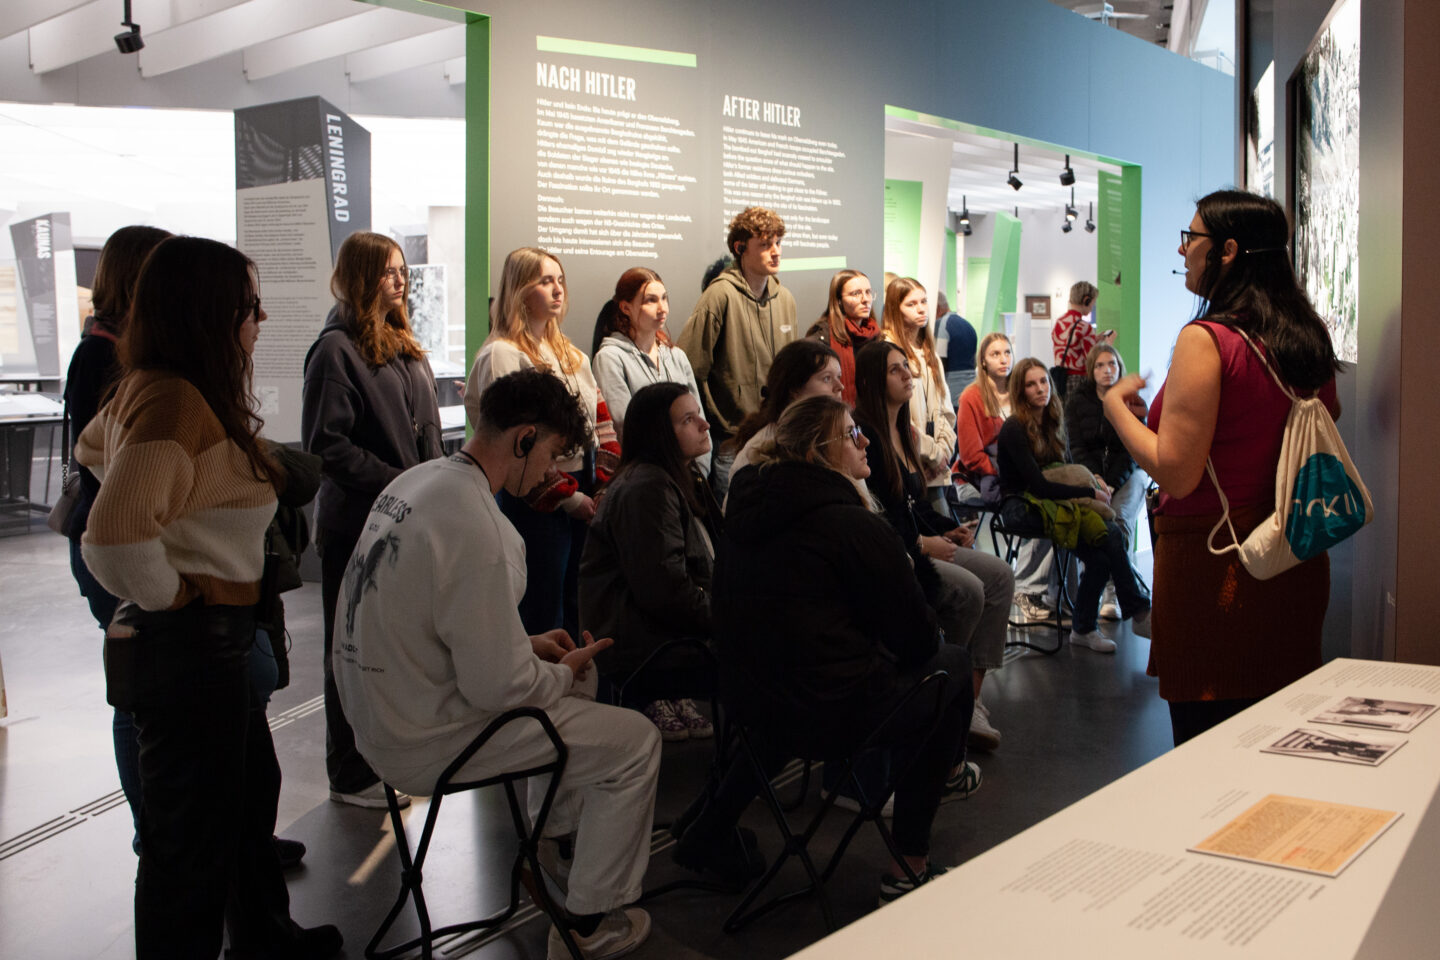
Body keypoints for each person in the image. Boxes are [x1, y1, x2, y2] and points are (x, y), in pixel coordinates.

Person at [335, 369, 659, 960]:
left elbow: (426, 622)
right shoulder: (483, 527)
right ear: (523, 438)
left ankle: (554, 847)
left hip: (375, 720)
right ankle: (587, 921)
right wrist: (561, 669)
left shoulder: (419, 481)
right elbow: (501, 688)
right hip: (424, 742)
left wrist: (525, 644)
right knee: (636, 740)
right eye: (552, 455)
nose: (553, 473)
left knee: (570, 684)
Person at [76, 236, 340, 960]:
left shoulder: (159, 389)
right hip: (193, 644)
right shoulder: (173, 400)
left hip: (208, 645)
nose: (260, 321)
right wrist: (178, 589)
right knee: (188, 852)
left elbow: (92, 449)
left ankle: (265, 939)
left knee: (242, 809)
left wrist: (182, 533)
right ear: (210, 314)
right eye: (250, 306)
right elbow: (114, 537)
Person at [678, 395, 976, 904]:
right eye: (852, 434)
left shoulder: (746, 513)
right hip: (831, 715)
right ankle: (909, 863)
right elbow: (917, 639)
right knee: (950, 669)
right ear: (820, 451)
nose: (865, 442)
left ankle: (711, 825)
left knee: (790, 682)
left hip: (750, 704)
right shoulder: (851, 525)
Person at [1103, 190, 1340, 745]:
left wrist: (1115, 408)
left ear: (1227, 251)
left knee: (1211, 753)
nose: (1182, 250)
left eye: (1191, 238)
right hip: (1293, 558)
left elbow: (1178, 474)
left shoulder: (1207, 340)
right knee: (1283, 745)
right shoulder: (1307, 336)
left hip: (1218, 567)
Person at [302, 230, 443, 809]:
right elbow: (326, 446)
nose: (400, 279)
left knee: (387, 650)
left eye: (403, 269)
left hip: (404, 523)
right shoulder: (335, 351)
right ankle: (349, 773)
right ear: (360, 276)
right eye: (388, 270)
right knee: (349, 650)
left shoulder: (403, 344)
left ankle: (381, 760)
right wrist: (398, 481)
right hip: (357, 527)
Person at [60, 224, 171, 844]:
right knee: (136, 695)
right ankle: (151, 831)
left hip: (123, 540)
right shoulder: (100, 357)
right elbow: (107, 465)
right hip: (113, 548)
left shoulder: (119, 351)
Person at [853, 340, 1014, 751]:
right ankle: (942, 694)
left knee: (1000, 575)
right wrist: (923, 544)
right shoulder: (866, 436)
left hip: (921, 541)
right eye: (895, 370)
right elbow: (879, 516)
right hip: (901, 552)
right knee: (970, 589)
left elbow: (916, 504)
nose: (907, 375)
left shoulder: (904, 431)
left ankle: (971, 699)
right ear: (872, 381)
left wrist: (950, 529)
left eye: (906, 367)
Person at [464, 247, 620, 640]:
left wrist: (603, 483)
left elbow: (601, 422)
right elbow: (513, 445)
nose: (557, 289)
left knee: (578, 603)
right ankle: (543, 678)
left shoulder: (571, 354)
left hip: (584, 488)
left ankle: (572, 674)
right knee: (542, 607)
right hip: (535, 497)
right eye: (545, 281)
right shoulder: (502, 353)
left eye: (560, 280)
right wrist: (566, 497)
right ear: (519, 289)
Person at [580, 381, 721, 742]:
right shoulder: (647, 487)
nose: (704, 424)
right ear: (659, 433)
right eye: (688, 419)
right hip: (643, 649)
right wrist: (729, 619)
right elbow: (665, 591)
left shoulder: (679, 476)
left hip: (663, 635)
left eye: (699, 415)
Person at [997, 358, 1151, 653]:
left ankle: (1084, 628)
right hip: (1022, 507)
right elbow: (1038, 486)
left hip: (1054, 503)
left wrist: (1093, 481)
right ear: (1020, 390)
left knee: (1102, 556)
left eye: (1043, 381)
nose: (1040, 388)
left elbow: (1067, 468)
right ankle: (1137, 610)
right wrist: (1089, 493)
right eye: (1031, 384)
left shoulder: (1053, 420)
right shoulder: (1014, 428)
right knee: (1111, 533)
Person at [677, 206, 798, 501]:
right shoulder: (719, 295)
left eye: (778, 242)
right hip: (731, 439)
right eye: (765, 244)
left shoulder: (785, 299)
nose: (775, 252)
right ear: (740, 248)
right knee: (733, 513)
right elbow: (688, 365)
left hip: (776, 435)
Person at [956, 332, 1056, 623]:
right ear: (983, 362)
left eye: (1007, 353)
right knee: (1034, 507)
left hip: (1018, 475)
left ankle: (1050, 592)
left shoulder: (1020, 393)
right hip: (977, 479)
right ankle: (1026, 587)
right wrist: (1012, 473)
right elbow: (971, 456)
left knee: (1055, 504)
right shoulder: (971, 397)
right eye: (995, 354)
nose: (1003, 359)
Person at [591, 266, 709, 476]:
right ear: (625, 307)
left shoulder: (677, 356)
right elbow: (624, 427)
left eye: (664, 298)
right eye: (650, 300)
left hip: (690, 475)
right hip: (646, 476)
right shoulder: (611, 358)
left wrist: (700, 472)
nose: (662, 308)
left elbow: (698, 415)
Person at [1065, 342, 1150, 619]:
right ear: (1091, 370)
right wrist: (1097, 478)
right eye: (1100, 365)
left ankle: (1113, 592)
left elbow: (1132, 449)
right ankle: (1095, 588)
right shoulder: (1077, 401)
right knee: (1095, 521)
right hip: (1090, 475)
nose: (1106, 370)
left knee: (1120, 519)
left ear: (1119, 367)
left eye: (1111, 364)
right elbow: (1076, 447)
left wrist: (1112, 481)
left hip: (1127, 474)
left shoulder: (1131, 399)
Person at [726, 338, 843, 488]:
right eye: (827, 378)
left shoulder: (832, 436)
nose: (840, 386)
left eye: (839, 377)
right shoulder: (760, 450)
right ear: (795, 389)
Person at [882, 277, 957, 513]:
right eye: (911, 304)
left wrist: (942, 453)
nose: (921, 308)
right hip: (906, 463)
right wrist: (931, 454)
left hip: (935, 467)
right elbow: (896, 416)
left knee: (944, 525)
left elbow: (945, 410)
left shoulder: (929, 352)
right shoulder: (887, 351)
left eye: (923, 301)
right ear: (896, 308)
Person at [804, 268, 878, 404]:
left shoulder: (875, 335)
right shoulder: (821, 337)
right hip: (834, 412)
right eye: (856, 294)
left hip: (870, 412)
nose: (865, 299)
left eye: (868, 292)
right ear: (839, 300)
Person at [1051, 281, 1111, 392]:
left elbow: (1070, 344)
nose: (1092, 307)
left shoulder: (1059, 322)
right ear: (1086, 300)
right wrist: (1107, 345)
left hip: (1060, 378)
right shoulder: (1085, 327)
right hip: (1078, 380)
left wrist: (1094, 339)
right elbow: (1092, 359)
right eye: (1093, 303)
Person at [936, 292, 978, 406]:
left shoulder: (941, 325)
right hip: (971, 391)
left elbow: (940, 362)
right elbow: (974, 362)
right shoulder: (968, 326)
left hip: (951, 395)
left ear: (937, 308)